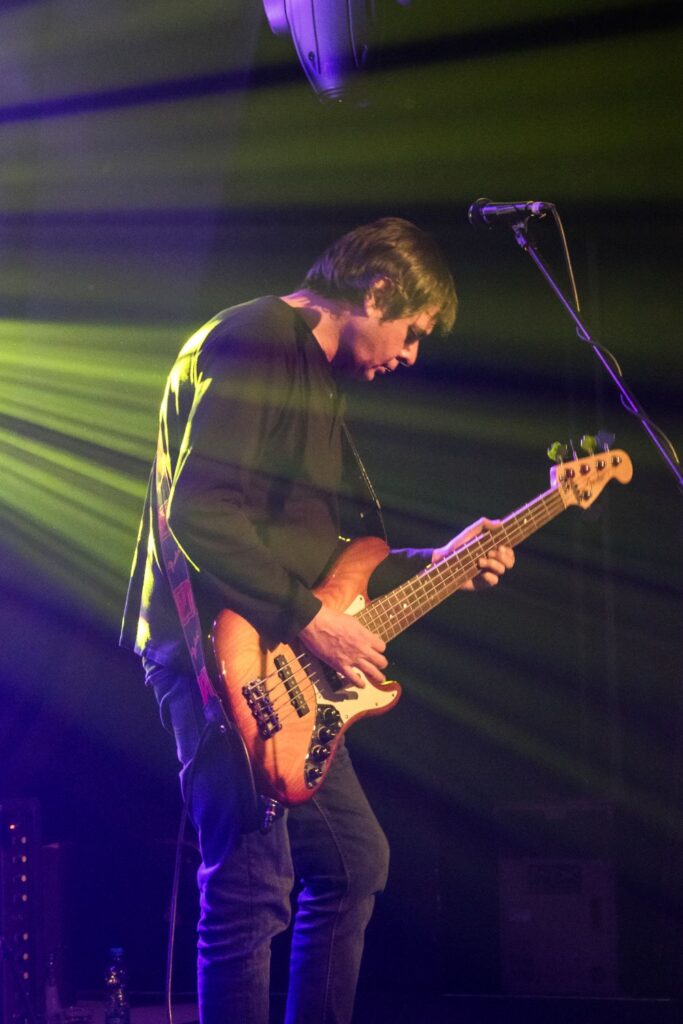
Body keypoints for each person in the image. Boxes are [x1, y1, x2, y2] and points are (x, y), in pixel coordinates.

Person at [120, 217, 515, 1024]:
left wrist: (437, 560)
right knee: (251, 888)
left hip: (280, 657)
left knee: (352, 863)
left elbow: (315, 553)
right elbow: (200, 512)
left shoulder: (310, 369)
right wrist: (308, 620)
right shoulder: (259, 338)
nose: (411, 355)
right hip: (216, 657)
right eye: (413, 331)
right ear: (377, 291)